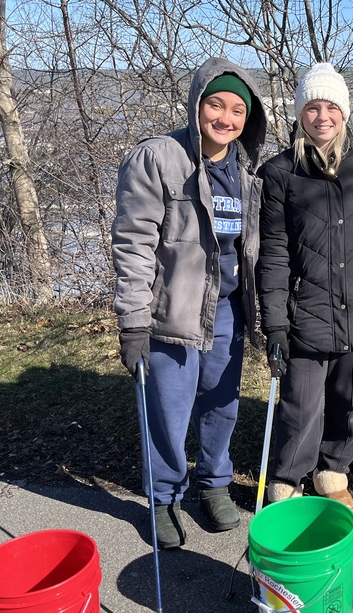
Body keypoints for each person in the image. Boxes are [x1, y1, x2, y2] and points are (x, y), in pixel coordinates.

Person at [112, 59, 267, 548]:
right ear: (198, 104)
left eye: (237, 110)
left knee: (222, 405)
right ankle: (163, 496)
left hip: (227, 310)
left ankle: (213, 483)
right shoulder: (159, 158)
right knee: (168, 409)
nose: (225, 118)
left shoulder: (247, 171)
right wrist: (133, 322)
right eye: (216, 104)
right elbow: (133, 243)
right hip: (171, 313)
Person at [257, 62, 353, 512]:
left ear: (344, 114)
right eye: (312, 107)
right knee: (300, 406)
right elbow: (272, 254)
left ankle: (333, 471)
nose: (322, 116)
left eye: (331, 107)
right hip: (304, 312)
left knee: (348, 404)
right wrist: (274, 325)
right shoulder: (279, 174)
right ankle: (287, 479)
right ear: (299, 114)